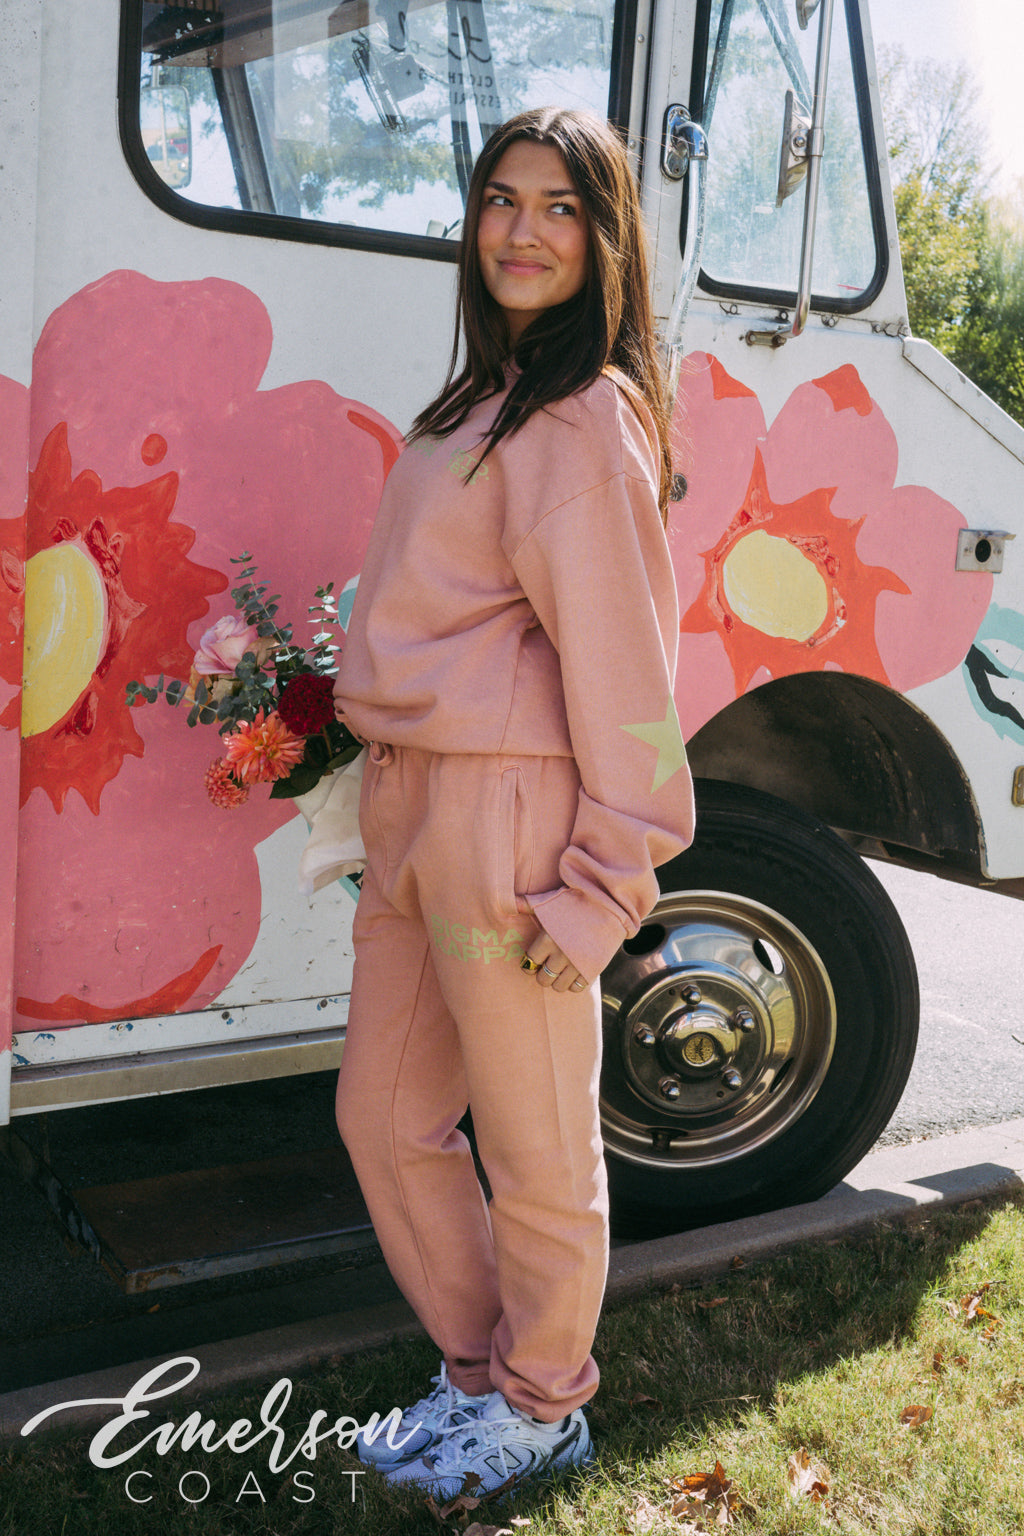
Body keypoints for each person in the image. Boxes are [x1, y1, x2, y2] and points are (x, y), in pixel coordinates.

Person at [332, 105, 695, 1499]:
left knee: (537, 1146)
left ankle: (544, 1407)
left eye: (560, 207)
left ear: (606, 239)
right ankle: (477, 1377)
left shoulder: (581, 413)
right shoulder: (475, 405)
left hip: (510, 817)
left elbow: (627, 671)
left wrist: (609, 879)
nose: (522, 230)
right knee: (385, 1117)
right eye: (500, 199)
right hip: (413, 809)